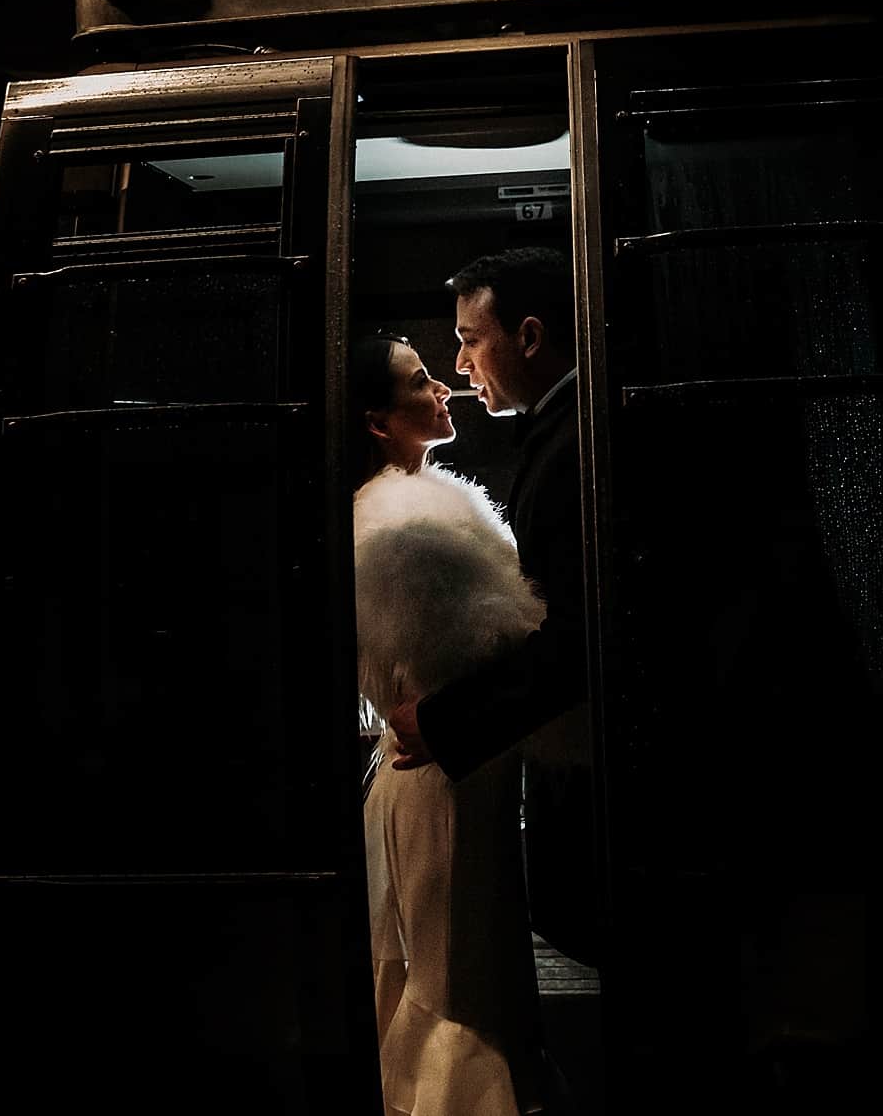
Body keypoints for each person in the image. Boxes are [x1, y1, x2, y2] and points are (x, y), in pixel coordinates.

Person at [350, 333, 549, 1116]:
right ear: (377, 419)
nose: (445, 385)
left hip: (457, 768)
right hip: (440, 779)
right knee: (459, 975)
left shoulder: (415, 510)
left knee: (455, 965)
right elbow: (479, 655)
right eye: (421, 379)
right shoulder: (403, 527)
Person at [384, 246, 599, 967]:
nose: (460, 366)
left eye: (471, 340)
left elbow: (579, 638)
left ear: (530, 337)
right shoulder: (567, 428)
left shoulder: (573, 442)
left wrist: (447, 719)